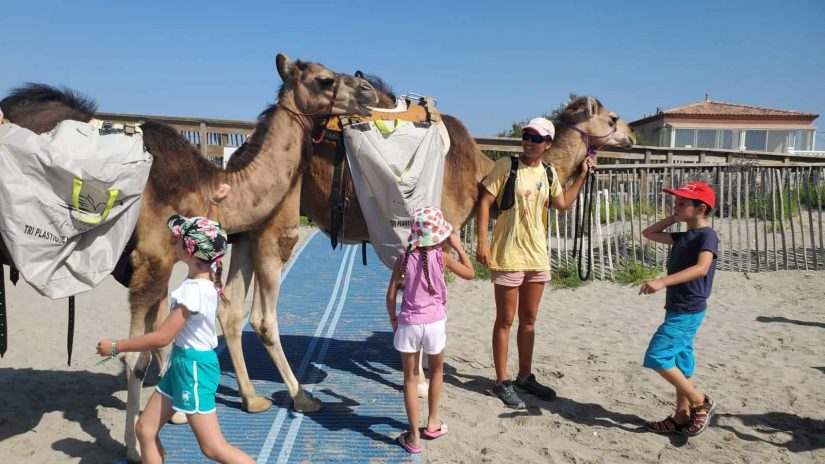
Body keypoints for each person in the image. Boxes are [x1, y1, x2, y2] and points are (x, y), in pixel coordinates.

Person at [96, 184, 255, 464]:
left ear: (191, 253)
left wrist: (116, 346)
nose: (176, 242)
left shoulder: (191, 293)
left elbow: (161, 338)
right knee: (145, 430)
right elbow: (212, 234)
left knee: (213, 448)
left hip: (193, 368)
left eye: (180, 240)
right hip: (182, 364)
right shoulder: (211, 268)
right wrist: (213, 203)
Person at [476, 117, 596, 409]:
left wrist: (581, 175)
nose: (529, 141)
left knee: (529, 321)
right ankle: (502, 382)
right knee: (505, 320)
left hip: (537, 256)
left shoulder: (549, 172)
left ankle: (524, 377)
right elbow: (484, 203)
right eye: (526, 135)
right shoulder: (507, 165)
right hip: (508, 254)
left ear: (548, 144)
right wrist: (482, 241)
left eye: (536, 137)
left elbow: (562, 204)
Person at [386, 206, 475, 453]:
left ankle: (413, 437)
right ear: (438, 235)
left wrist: (395, 322)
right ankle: (433, 422)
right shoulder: (442, 257)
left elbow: (391, 296)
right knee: (437, 372)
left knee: (410, 379)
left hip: (409, 324)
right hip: (435, 323)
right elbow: (471, 273)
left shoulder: (403, 259)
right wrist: (457, 246)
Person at [639, 180, 719, 436]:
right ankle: (681, 417)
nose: (676, 205)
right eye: (676, 201)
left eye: (683, 203)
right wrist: (673, 218)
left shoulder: (707, 235)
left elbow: (701, 268)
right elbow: (648, 233)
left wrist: (662, 281)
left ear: (701, 208)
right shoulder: (684, 235)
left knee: (658, 356)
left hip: (688, 309)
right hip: (678, 306)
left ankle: (700, 401)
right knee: (683, 365)